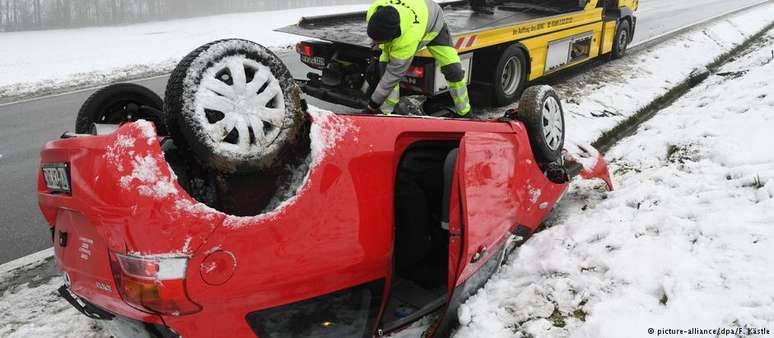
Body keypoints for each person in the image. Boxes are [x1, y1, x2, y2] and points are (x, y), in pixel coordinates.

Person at [365, 0, 471, 117]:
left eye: (377, 40)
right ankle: (386, 113)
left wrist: (371, 106)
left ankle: (465, 112)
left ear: (394, 36)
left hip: (433, 24)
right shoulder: (374, 11)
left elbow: (393, 76)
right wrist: (378, 47)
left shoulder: (408, 39)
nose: (374, 42)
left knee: (453, 70)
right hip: (413, 14)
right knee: (383, 66)